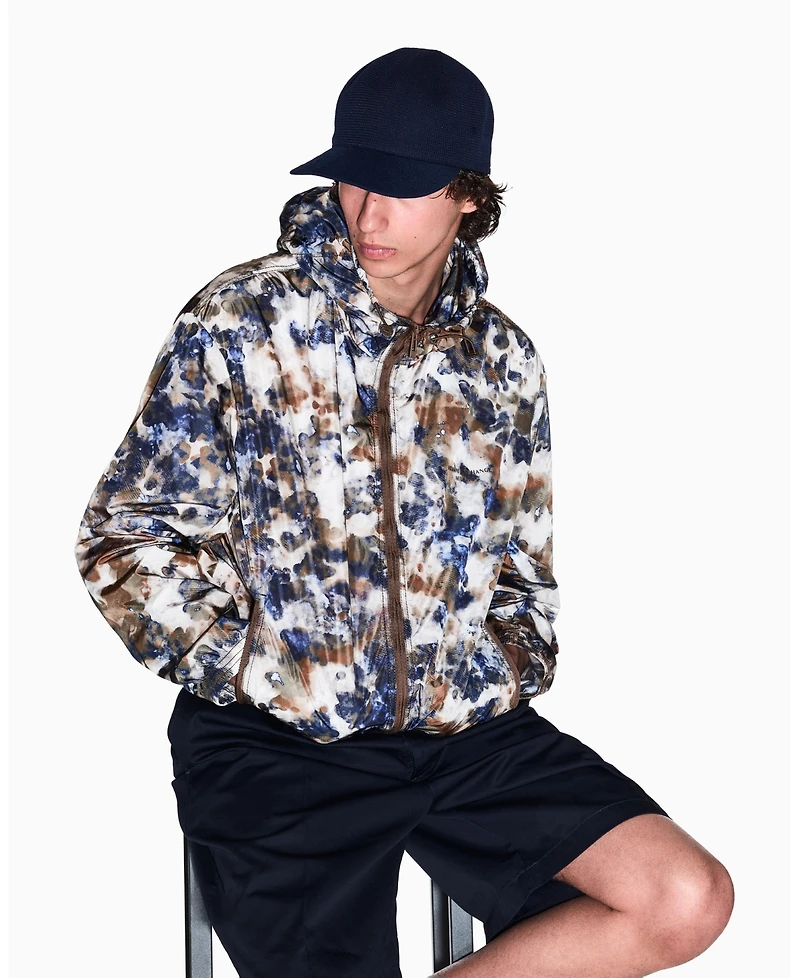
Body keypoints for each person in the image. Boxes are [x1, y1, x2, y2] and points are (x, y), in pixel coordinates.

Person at [74, 47, 733, 978]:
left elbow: (523, 564)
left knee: (684, 897)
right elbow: (125, 537)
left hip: (456, 731)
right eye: (356, 179)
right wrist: (256, 667)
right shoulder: (243, 321)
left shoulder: (501, 360)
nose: (370, 214)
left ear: (467, 195)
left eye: (405, 188)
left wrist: (501, 670)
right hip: (277, 742)